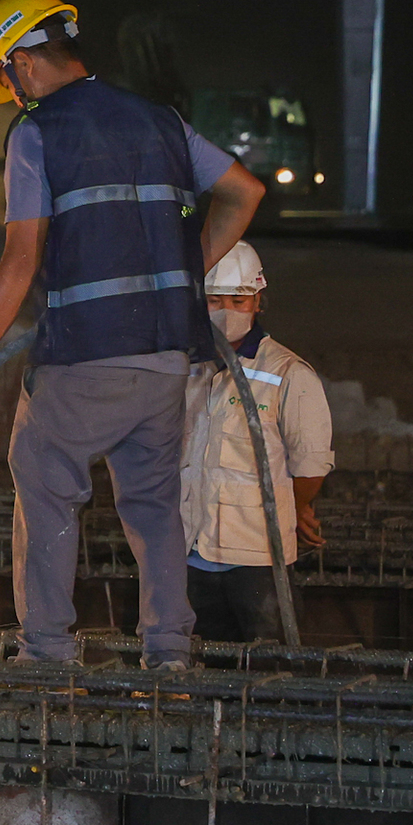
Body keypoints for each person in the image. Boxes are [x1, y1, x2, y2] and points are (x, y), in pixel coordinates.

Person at [0, 0, 264, 669]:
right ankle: (170, 654)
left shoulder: (38, 131)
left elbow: (20, 257)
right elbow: (245, 192)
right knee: (152, 502)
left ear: (22, 62)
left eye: (10, 79)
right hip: (169, 353)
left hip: (86, 353)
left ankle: (47, 653)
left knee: (45, 477)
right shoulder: (161, 121)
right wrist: (181, 269)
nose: (15, 95)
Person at [181, 242, 333, 642]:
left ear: (259, 302)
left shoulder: (288, 373)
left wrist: (292, 508)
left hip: (257, 557)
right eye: (214, 300)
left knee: (269, 671)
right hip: (187, 550)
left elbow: (311, 465)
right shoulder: (183, 367)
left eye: (239, 300)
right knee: (192, 670)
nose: (227, 311)